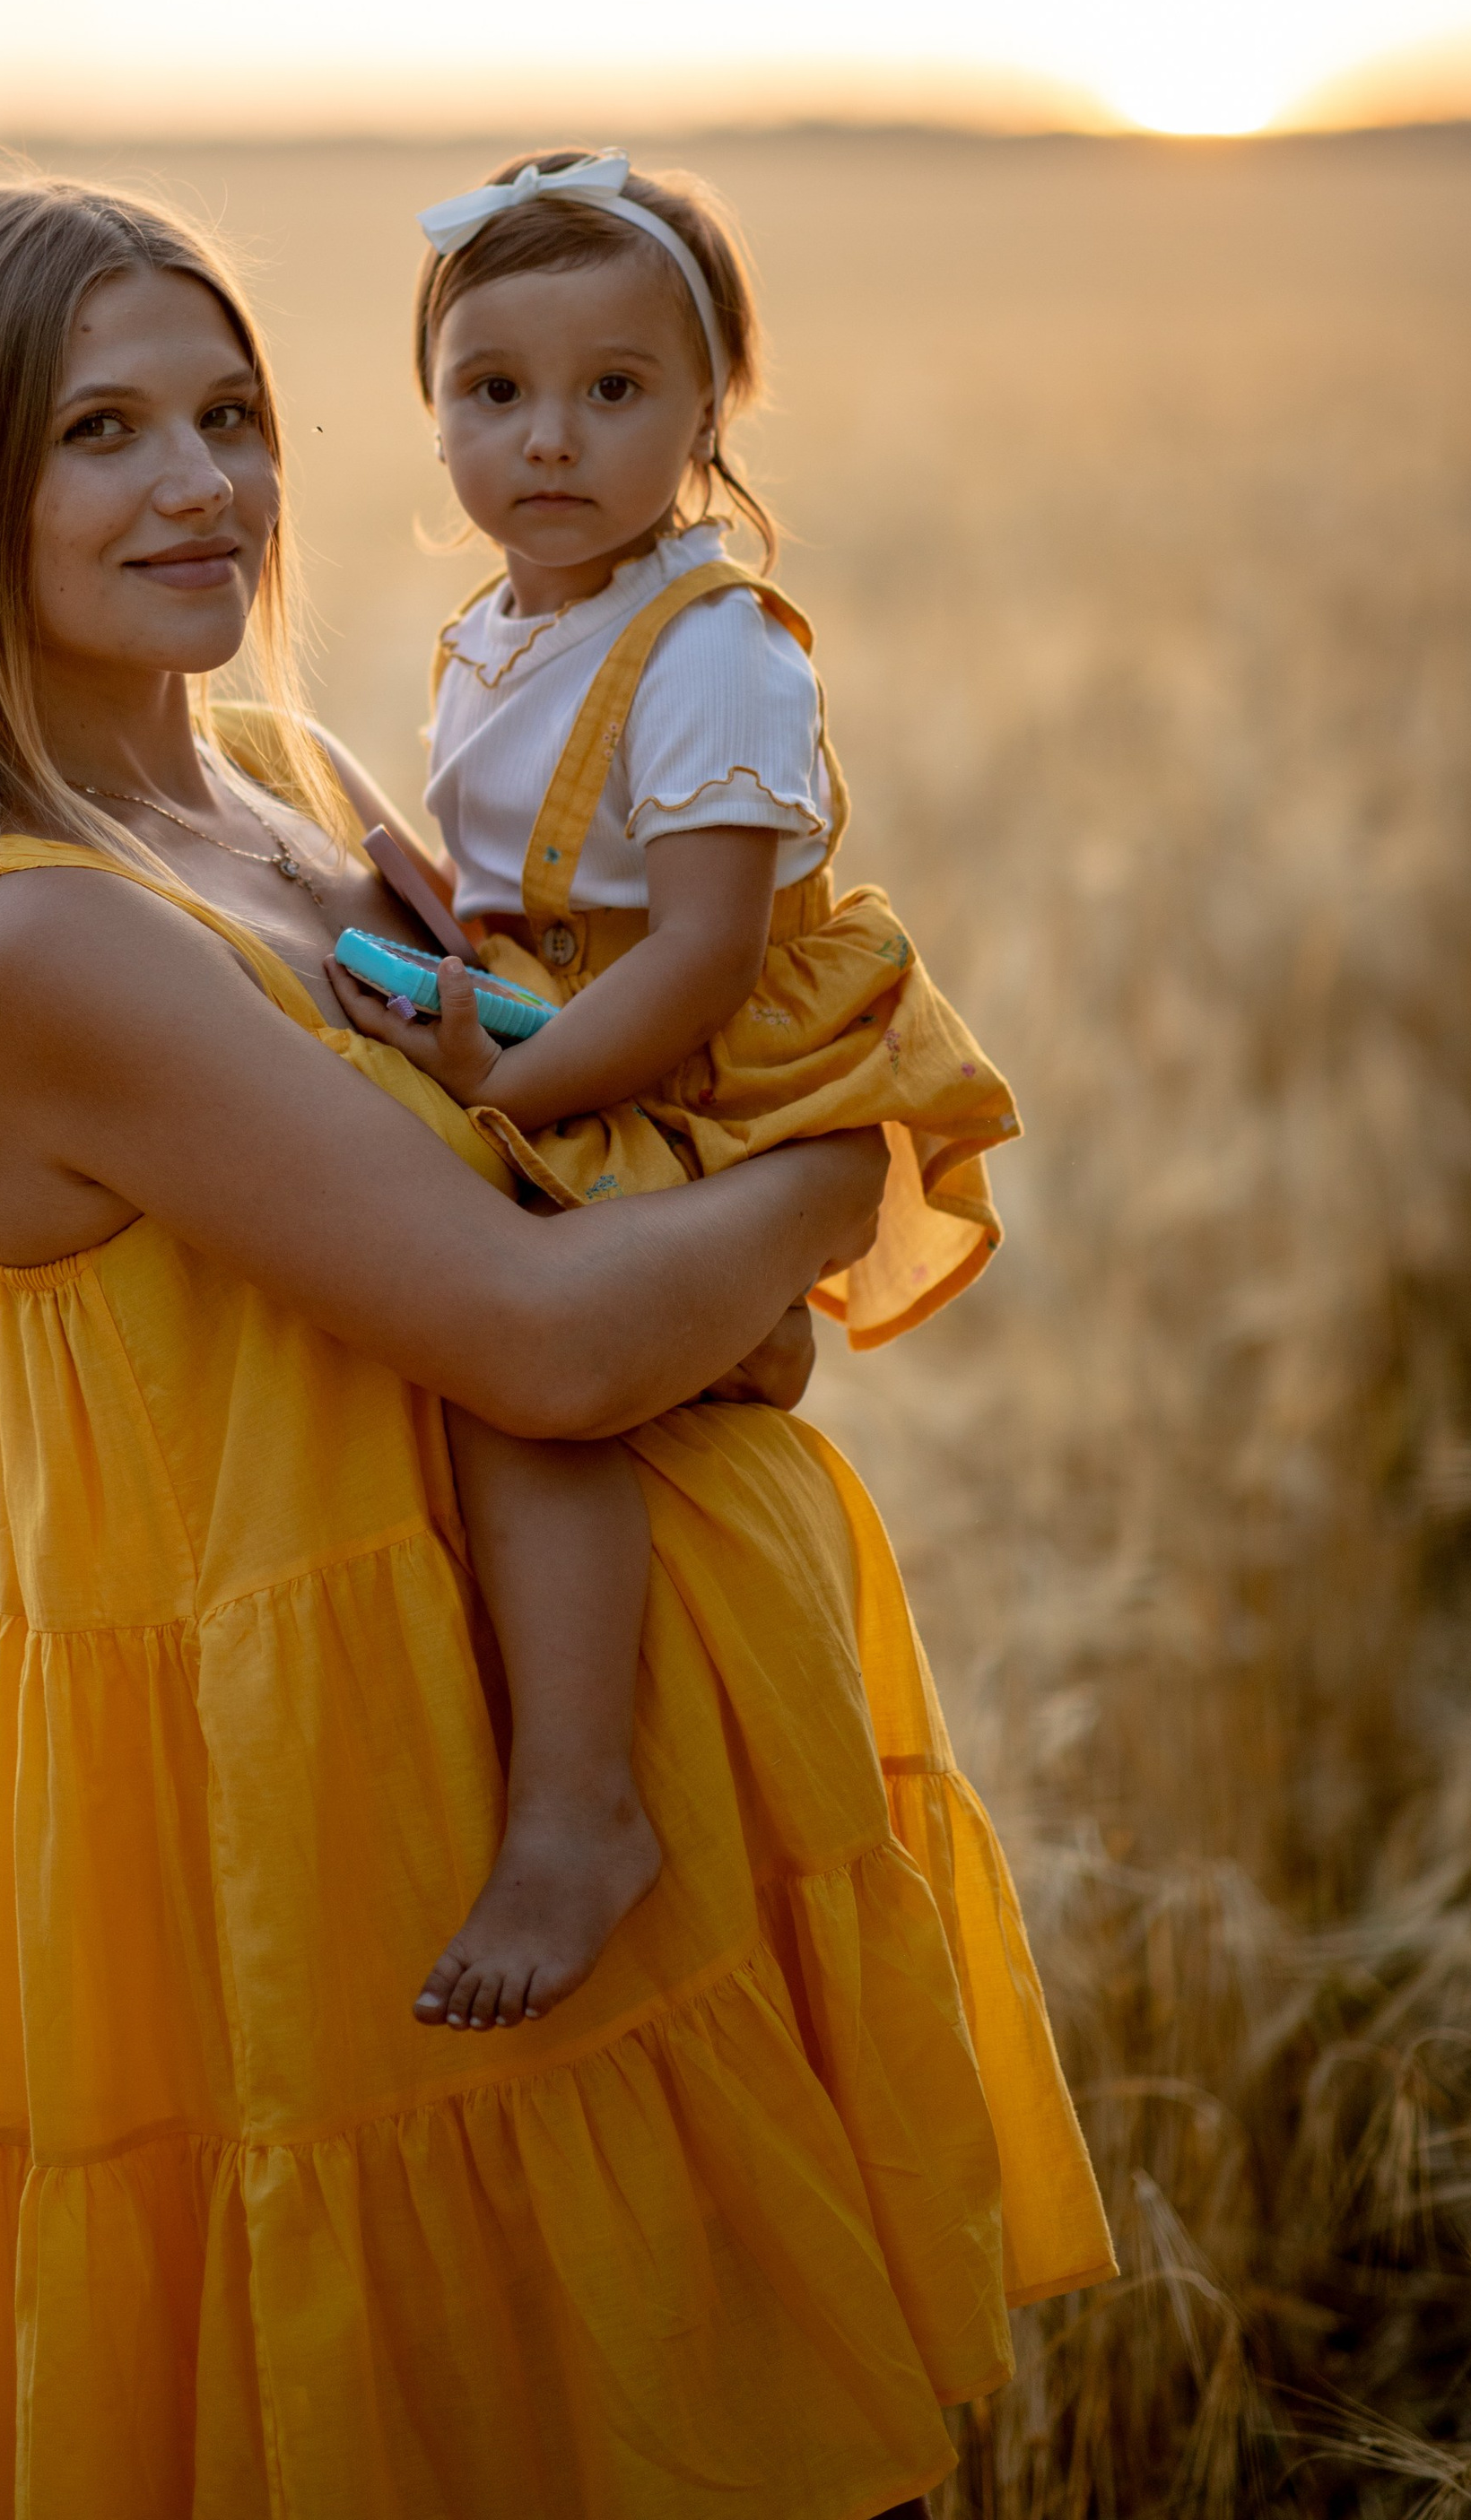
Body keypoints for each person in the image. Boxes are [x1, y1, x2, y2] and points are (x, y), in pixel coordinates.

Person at [0, 176, 1111, 2520]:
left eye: (230, 415)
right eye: (101, 431)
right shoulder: (38, 939)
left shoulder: (296, 801)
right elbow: (552, 1334)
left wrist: (705, 1227)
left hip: (614, 1780)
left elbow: (602, 1163)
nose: (201, 485)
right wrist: (838, 1170)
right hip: (376, 1840)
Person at [325, 148, 1022, 2040]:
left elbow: (703, 953)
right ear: (432, 408)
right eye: (492, 389)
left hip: (701, 1063)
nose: (546, 437)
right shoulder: (507, 618)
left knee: (516, 1359)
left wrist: (515, 1086)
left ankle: (580, 1813)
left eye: (614, 389)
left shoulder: (712, 653)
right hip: (576, 1017)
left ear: (710, 409)